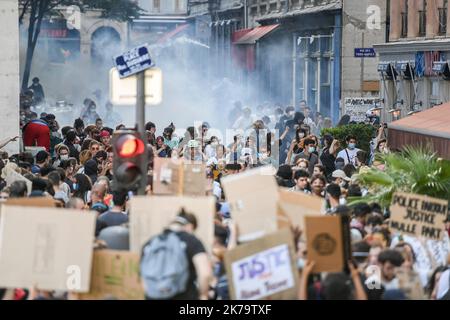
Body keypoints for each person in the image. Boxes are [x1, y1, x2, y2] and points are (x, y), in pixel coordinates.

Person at [144, 210, 213, 300]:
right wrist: (203, 295)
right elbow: (205, 274)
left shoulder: (151, 242)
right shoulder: (192, 241)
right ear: (189, 227)